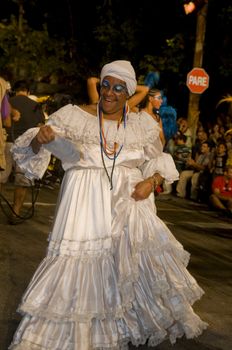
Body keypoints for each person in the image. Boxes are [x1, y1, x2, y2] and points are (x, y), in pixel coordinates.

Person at [9, 60, 207, 350]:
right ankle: (70, 337)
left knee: (124, 268)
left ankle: (120, 328)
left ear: (128, 92)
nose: (110, 92)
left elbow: (158, 160)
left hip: (128, 202)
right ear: (99, 86)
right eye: (105, 85)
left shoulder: (141, 123)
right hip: (84, 198)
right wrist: (42, 139)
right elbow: (47, 150)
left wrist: (150, 181)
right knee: (80, 264)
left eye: (118, 87)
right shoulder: (74, 116)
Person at [2, 79, 45, 223]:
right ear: (28, 92)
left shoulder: (8, 101)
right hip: (25, 148)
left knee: (1, 177)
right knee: (22, 182)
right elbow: (41, 126)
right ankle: (16, 213)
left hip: (7, 142)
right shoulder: (36, 105)